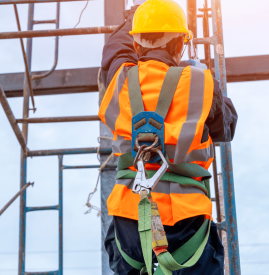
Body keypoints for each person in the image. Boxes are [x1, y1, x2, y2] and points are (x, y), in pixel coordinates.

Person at [98, 0, 238, 274]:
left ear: (136, 46)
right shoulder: (199, 82)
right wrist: (199, 75)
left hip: (129, 218)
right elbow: (227, 127)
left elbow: (114, 51)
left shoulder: (119, 81)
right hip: (185, 222)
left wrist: (133, 16)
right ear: (179, 46)